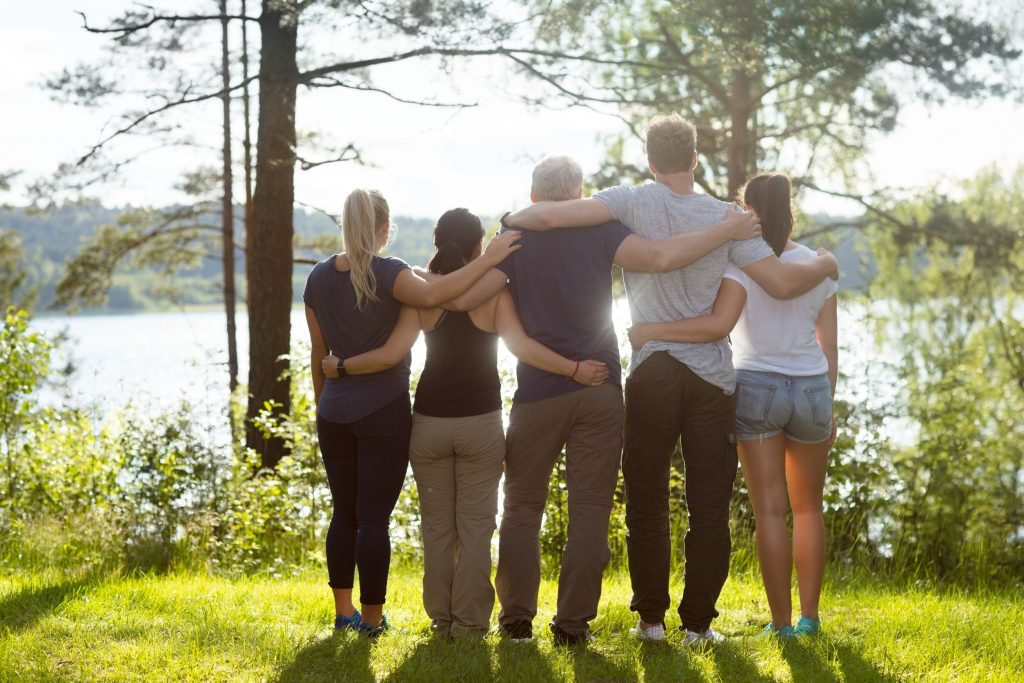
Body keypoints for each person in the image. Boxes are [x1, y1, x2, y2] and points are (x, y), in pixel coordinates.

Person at [504, 115, 838, 645]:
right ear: (696, 159)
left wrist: (514, 217)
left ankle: (651, 621)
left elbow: (551, 216)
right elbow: (777, 281)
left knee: (647, 499)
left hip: (653, 369)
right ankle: (699, 625)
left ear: (650, 160)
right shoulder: (726, 217)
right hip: (711, 376)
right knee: (708, 505)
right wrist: (823, 264)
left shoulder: (630, 200)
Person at [446, 155, 763, 647]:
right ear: (581, 196)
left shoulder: (516, 242)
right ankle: (571, 627)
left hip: (537, 393)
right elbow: (661, 257)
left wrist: (489, 257)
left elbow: (464, 303)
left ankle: (516, 622)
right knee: (590, 511)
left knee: (523, 507)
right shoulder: (603, 231)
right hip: (598, 388)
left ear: (534, 198)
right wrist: (724, 231)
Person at [325, 207, 609, 639]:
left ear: (438, 242)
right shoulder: (494, 294)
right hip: (481, 423)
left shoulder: (422, 293)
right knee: (477, 529)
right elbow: (521, 347)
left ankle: (441, 620)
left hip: (429, 423)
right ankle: (471, 623)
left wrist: (343, 365)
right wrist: (573, 369)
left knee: (438, 528)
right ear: (481, 246)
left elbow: (395, 348)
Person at [627, 173, 838, 638]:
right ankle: (810, 618)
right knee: (809, 509)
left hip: (757, 386)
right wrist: (829, 405)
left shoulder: (740, 260)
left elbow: (718, 322)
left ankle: (781, 625)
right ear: (791, 208)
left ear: (748, 210)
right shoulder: (818, 267)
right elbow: (829, 348)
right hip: (812, 388)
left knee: (769, 510)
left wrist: (649, 331)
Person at [303, 188, 520, 637]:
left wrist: (329, 389)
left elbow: (320, 353)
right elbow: (440, 303)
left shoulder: (332, 279)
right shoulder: (399, 275)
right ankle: (412, 620)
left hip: (371, 415)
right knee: (405, 521)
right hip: (421, 415)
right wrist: (498, 260)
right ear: (384, 229)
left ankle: (374, 614)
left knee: (362, 517)